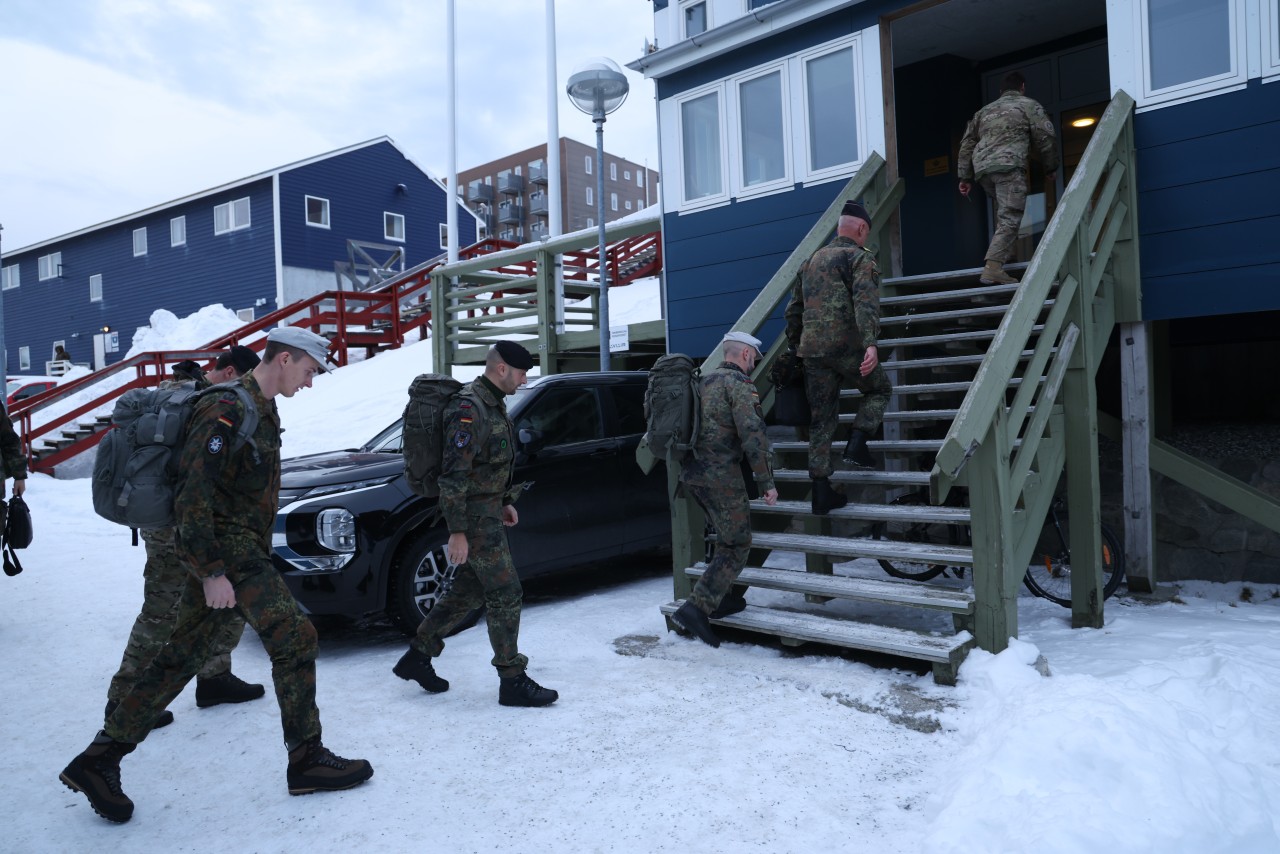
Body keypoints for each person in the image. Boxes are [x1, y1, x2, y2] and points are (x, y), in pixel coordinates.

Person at [60, 326, 372, 824]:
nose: (311, 382)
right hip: (226, 555)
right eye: (311, 371)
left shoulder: (261, 408)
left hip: (238, 550)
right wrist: (210, 572)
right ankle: (307, 759)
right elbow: (192, 497)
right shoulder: (224, 409)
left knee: (183, 654)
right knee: (296, 637)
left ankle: (100, 759)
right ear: (286, 359)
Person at [103, 345, 265, 732]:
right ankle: (123, 700)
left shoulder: (192, 398)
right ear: (227, 372)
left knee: (225, 600)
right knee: (163, 611)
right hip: (172, 524)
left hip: (199, 520)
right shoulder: (191, 402)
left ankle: (214, 677)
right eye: (244, 379)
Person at [393, 340, 559, 708]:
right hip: (473, 520)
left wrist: (503, 503)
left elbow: (487, 467)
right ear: (501, 369)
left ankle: (418, 656)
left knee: (467, 591)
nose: (524, 378)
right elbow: (454, 475)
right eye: (521, 372)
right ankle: (512, 679)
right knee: (505, 593)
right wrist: (456, 531)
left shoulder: (492, 403)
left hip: (486, 514)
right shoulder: (469, 408)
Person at [668, 331, 778, 648]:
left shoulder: (701, 381)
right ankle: (697, 608)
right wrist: (766, 483)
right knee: (737, 542)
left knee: (724, 535)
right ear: (744, 355)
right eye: (754, 358)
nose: (754, 363)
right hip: (721, 476)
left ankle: (721, 598)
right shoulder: (740, 385)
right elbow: (753, 435)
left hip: (692, 475)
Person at [784, 200, 893, 516]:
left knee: (821, 419)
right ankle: (857, 443)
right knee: (879, 389)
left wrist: (797, 347)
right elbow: (865, 303)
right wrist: (870, 344)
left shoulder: (810, 262)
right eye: (866, 233)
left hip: (812, 351)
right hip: (847, 348)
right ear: (861, 229)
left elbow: (793, 311)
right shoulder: (859, 259)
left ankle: (820, 492)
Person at [957, 70, 1060, 285]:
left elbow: (966, 144)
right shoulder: (1029, 105)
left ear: (1000, 91)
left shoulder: (983, 112)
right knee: (1010, 215)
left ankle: (1006, 255)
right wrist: (1050, 167)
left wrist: (965, 177)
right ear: (1022, 87)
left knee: (1004, 211)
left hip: (983, 170)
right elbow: (1045, 136)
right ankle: (993, 267)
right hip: (1008, 165)